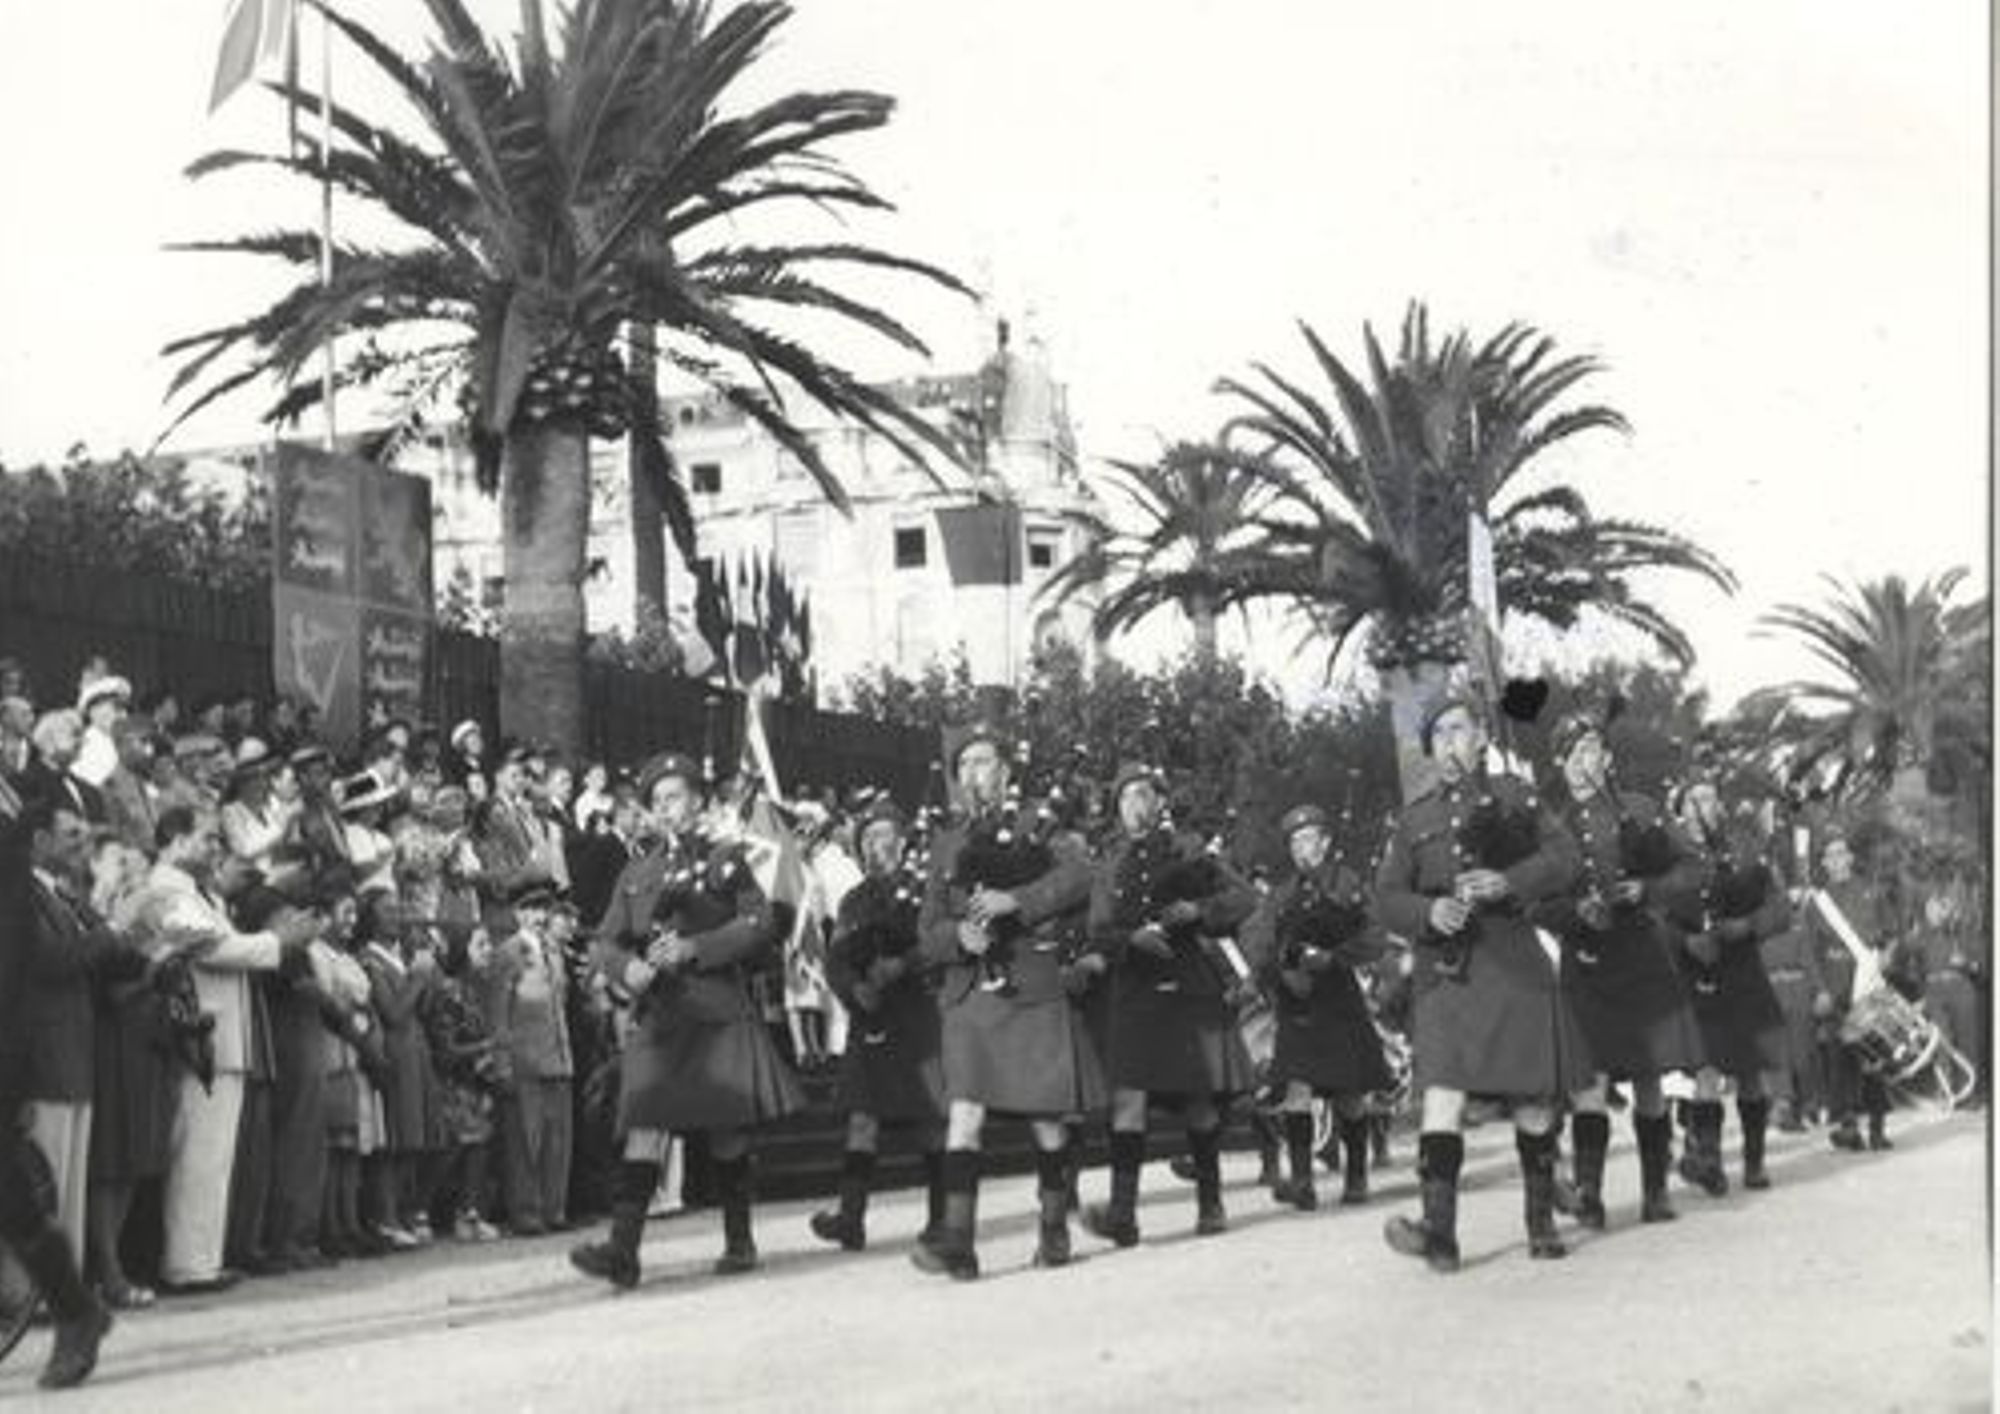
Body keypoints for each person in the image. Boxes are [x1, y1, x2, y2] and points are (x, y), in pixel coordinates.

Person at [570, 753, 804, 1289]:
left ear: (697, 801)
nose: (665, 808)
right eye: (657, 801)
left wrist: (695, 948)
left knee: (725, 1130)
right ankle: (622, 1251)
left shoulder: (725, 859)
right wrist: (626, 967)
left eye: (675, 797)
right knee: (645, 1125)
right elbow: (604, 940)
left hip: (716, 1008)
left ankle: (739, 1241)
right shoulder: (637, 870)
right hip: (660, 1015)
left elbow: (759, 924)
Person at [1375, 695, 1588, 1272]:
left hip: (1513, 965)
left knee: (1532, 1104)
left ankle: (1540, 1223)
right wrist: (1426, 913)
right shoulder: (1413, 820)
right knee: (1442, 1095)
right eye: (1438, 733)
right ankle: (1439, 1234)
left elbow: (1566, 857)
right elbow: (1386, 897)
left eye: (1459, 730)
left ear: (1480, 738)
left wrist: (1509, 880)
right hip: (1448, 975)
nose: (1448, 743)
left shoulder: (1517, 799)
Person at [908, 725, 1103, 1280]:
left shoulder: (1037, 824)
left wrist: (1013, 900)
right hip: (969, 994)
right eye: (963, 764)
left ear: (1005, 770)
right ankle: (959, 1243)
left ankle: (1053, 1227)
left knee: (1045, 1119)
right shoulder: (946, 842)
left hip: (1028, 985)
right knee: (964, 1114)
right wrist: (955, 939)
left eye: (983, 761)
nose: (973, 773)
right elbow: (927, 929)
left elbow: (1079, 878)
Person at [1535, 714, 1706, 1227]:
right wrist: (1570, 915)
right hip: (1585, 965)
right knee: (1588, 1081)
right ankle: (1589, 1194)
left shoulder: (1641, 811)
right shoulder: (1548, 824)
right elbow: (1530, 901)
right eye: (1575, 753)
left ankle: (1656, 1193)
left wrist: (1648, 891)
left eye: (1593, 750)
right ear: (1560, 765)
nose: (1586, 762)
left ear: (1607, 758)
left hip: (1639, 956)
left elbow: (1693, 867)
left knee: (1650, 1077)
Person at [1081, 763, 1258, 1247]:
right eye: (1126, 798)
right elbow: (1097, 930)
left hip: (1189, 988)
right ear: (1117, 810)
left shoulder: (1190, 850)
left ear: (1159, 802)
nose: (1136, 805)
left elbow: (1245, 899)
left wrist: (1198, 911)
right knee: (1127, 1100)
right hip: (1135, 992)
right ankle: (1123, 1214)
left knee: (1199, 1099)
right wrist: (1130, 940)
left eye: (1144, 794)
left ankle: (1211, 1204)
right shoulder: (1107, 862)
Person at [142, 807, 314, 1292]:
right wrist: (277, 941)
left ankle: (203, 1256)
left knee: (213, 1155)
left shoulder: (198, 892)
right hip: (199, 1037)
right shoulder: (166, 888)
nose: (214, 848)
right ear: (174, 839)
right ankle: (187, 1263)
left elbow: (225, 942)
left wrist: (268, 943)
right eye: (205, 838)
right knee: (197, 1151)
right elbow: (214, 948)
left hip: (222, 1035)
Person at [0, 779, 116, 1389]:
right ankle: (76, 1309)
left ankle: (75, 1311)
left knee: (11, 1197)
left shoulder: (9, 850)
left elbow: (16, 964)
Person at [810, 798, 947, 1252]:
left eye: (883, 834)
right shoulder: (854, 899)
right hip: (872, 1018)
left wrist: (904, 965)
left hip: (919, 1016)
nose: (874, 844)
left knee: (931, 1119)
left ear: (904, 840)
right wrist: (853, 988)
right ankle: (851, 1217)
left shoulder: (928, 889)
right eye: (867, 837)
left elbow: (941, 941)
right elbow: (836, 957)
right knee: (861, 1122)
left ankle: (942, 1217)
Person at [1241, 803, 1393, 1211]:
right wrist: (1273, 970)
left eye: (1309, 839)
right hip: (1298, 1000)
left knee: (1347, 1094)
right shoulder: (1282, 893)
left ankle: (1357, 1177)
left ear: (1326, 842)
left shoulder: (1348, 883)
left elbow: (1375, 936)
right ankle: (1303, 1182)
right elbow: (1259, 940)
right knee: (1296, 1090)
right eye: (1294, 842)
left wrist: (1336, 956)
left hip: (1337, 994)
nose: (1301, 849)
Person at [1669, 777, 1793, 1193]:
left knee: (1750, 1071)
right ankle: (1709, 1162)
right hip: (1694, 971)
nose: (1702, 806)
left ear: (1720, 806)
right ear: (1681, 808)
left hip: (1741, 970)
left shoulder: (1747, 852)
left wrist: (1747, 926)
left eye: (1709, 797)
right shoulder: (1668, 856)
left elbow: (1780, 908)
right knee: (1704, 1069)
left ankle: (1754, 1163)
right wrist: (1684, 941)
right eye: (1694, 798)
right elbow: (1652, 918)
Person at [482, 882, 576, 1236]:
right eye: (530, 909)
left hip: (557, 1056)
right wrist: (502, 1063)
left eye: (543, 910)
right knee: (525, 1140)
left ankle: (554, 1208)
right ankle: (526, 1211)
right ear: (516, 914)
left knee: (557, 1139)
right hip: (524, 1060)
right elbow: (498, 1015)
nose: (538, 917)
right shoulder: (509, 952)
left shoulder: (553, 953)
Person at [1806, 835, 1895, 1151]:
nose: (1837, 860)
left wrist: (1886, 956)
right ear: (1824, 863)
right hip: (1835, 981)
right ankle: (1848, 1126)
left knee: (1875, 1053)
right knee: (1842, 1057)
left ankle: (1878, 1127)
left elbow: (1890, 933)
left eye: (1841, 853)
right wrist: (1820, 990)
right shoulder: (1818, 904)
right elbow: (1810, 952)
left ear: (1851, 858)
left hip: (1868, 979)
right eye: (1830, 856)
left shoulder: (1872, 891)